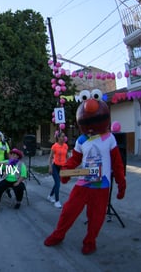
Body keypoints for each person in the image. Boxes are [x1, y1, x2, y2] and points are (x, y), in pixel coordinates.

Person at [44, 89, 126, 255]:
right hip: (83, 182)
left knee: (96, 217)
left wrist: (121, 184)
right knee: (68, 211)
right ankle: (58, 235)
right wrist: (66, 171)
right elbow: (75, 159)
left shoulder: (109, 138)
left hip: (101, 185)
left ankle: (90, 241)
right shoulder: (82, 140)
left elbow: (117, 163)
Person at [47, 131, 69, 208]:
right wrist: (50, 167)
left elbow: (67, 156)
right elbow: (50, 157)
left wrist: (68, 165)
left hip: (62, 167)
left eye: (64, 136)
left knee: (57, 183)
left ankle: (50, 196)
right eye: (62, 136)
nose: (64, 138)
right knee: (58, 184)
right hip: (55, 167)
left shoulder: (66, 146)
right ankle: (57, 201)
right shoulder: (54, 146)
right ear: (58, 138)